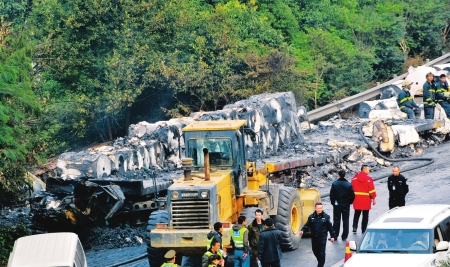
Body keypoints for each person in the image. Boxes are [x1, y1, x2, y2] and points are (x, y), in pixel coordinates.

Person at [300, 203, 335, 267]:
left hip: (322, 237)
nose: (319, 209)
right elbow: (307, 225)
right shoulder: (311, 217)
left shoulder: (326, 217)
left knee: (321, 252)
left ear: (322, 208)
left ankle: (320, 265)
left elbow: (330, 227)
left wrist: (332, 236)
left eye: (321, 208)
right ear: (315, 208)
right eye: (318, 208)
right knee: (315, 251)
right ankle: (320, 262)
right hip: (314, 237)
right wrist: (302, 230)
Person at [329, 170, 355, 241]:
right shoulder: (349, 185)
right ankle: (344, 236)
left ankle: (335, 236)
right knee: (345, 220)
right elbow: (352, 195)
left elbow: (332, 195)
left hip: (337, 203)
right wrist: (349, 202)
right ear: (345, 175)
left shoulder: (335, 184)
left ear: (338, 175)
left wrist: (333, 203)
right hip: (346, 204)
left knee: (336, 220)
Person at [351, 165, 377, 234]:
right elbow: (371, 190)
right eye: (368, 170)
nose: (369, 171)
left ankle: (354, 227)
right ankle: (363, 229)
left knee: (356, 213)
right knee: (365, 215)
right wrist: (373, 198)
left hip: (357, 199)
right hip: (366, 199)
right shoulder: (369, 179)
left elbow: (351, 188)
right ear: (364, 170)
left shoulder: (354, 178)